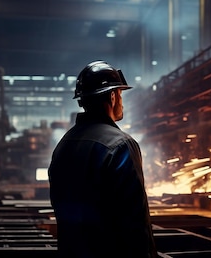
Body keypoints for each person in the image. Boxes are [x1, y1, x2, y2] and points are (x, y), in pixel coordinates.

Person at [48, 60, 158, 257]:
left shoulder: (64, 145)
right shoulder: (121, 145)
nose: (121, 101)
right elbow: (135, 221)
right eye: (121, 94)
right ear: (113, 96)